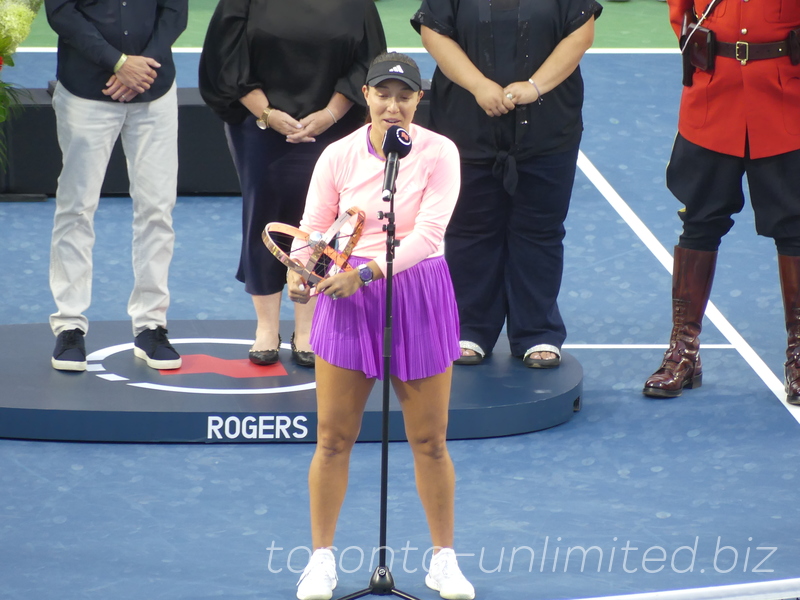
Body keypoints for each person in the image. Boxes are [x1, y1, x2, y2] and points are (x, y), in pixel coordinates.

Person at [287, 53, 475, 600]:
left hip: (416, 293)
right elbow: (315, 226)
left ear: (419, 101)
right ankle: (321, 560)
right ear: (366, 95)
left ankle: (443, 561)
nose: (393, 105)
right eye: (383, 94)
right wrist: (305, 268)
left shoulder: (440, 153)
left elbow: (429, 236)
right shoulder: (338, 156)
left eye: (405, 96)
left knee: (430, 441)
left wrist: (366, 273)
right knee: (333, 438)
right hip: (347, 298)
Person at [412, 0, 601, 368]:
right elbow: (433, 31)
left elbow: (581, 32)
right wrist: (478, 84)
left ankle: (538, 331)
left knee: (540, 230)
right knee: (470, 228)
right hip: (465, 125)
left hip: (549, 129)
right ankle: (469, 327)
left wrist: (535, 86)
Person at [198, 0, 386, 368]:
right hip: (259, 127)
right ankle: (266, 329)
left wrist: (330, 114)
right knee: (263, 217)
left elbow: (367, 61)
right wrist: (267, 114)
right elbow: (226, 58)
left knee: (324, 223)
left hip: (334, 126)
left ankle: (308, 328)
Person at [643, 1, 800, 401]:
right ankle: (684, 352)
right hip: (714, 96)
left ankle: (799, 354)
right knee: (699, 220)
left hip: (786, 99)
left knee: (796, 227)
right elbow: (682, 12)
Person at [45, 0, 188, 372]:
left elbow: (175, 11)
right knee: (75, 208)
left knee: (157, 209)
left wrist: (141, 68)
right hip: (85, 90)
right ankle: (69, 324)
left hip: (153, 89)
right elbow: (61, 12)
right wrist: (118, 63)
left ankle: (151, 325)